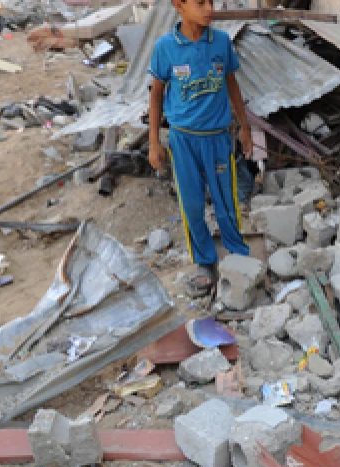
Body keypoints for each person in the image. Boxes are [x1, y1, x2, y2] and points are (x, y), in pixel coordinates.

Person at [147, 0, 253, 297]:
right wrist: (155, 142)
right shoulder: (165, 47)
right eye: (201, 2)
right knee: (192, 204)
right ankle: (206, 262)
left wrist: (244, 127)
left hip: (218, 138)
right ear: (179, 5)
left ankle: (237, 255)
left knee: (226, 202)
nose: (209, 8)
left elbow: (231, 84)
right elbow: (155, 97)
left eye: (212, 1)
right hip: (183, 141)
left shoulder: (220, 42)